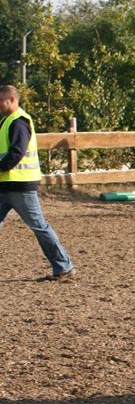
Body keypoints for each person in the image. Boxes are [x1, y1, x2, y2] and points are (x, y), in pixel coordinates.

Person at [0, 85, 75, 281]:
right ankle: (63, 266)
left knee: (39, 226)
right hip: (6, 185)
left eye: (1, 101)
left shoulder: (18, 122)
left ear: (12, 100)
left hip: (20, 186)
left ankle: (63, 266)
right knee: (39, 226)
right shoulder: (7, 121)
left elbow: (17, 152)